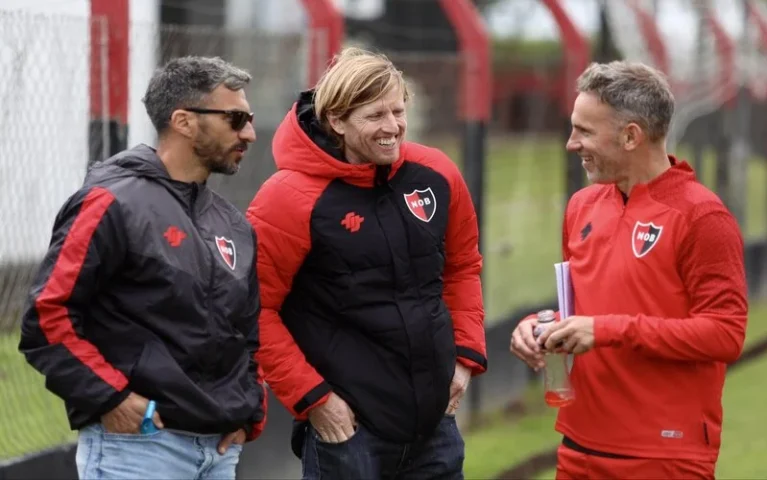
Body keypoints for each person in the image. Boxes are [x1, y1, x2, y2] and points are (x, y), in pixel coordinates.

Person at [18, 55, 267, 480]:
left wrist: (251, 411)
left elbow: (247, 333)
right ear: (184, 121)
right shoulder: (110, 202)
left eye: (249, 118)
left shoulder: (233, 223)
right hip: (139, 447)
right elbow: (47, 316)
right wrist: (111, 398)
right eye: (235, 118)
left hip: (221, 450)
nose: (250, 132)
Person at [246, 47, 487, 479]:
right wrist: (316, 400)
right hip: (348, 435)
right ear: (337, 121)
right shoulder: (287, 198)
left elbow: (463, 267)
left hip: (435, 427)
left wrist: (465, 358)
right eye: (375, 116)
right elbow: (253, 309)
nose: (393, 127)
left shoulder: (437, 173)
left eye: (398, 111)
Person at [509, 60, 748, 480]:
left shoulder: (702, 216)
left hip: (663, 455)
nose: (570, 143)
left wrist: (605, 330)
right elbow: (579, 308)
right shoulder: (581, 206)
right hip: (576, 448)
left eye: (584, 131)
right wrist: (538, 326)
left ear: (631, 135)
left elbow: (726, 333)